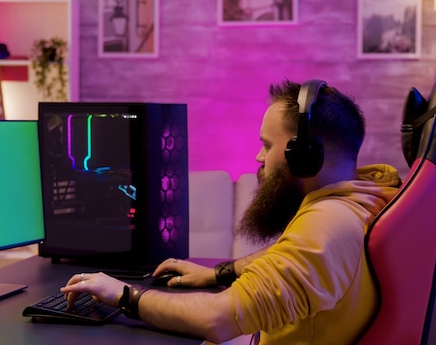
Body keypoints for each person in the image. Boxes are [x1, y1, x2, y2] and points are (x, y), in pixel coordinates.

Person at [61, 78, 401, 344]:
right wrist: (219, 274)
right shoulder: (362, 196)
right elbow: (293, 255)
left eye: (267, 145)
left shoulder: (328, 225)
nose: (258, 158)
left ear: (307, 154)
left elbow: (217, 319)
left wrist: (121, 293)